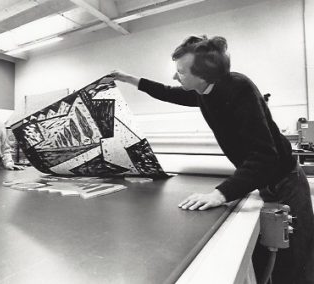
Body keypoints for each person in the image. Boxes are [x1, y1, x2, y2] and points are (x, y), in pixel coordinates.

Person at [111, 35, 314, 284]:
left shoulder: (239, 88)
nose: (176, 77)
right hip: (265, 185)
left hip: (286, 182)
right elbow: (166, 92)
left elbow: (264, 156)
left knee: (295, 264)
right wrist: (128, 79)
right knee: (267, 260)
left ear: (203, 75)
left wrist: (220, 194)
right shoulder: (203, 91)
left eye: (181, 72)